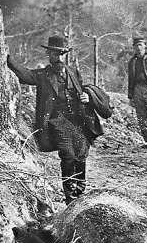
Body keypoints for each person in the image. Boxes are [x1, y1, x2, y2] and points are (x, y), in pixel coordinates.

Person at [7, 35, 93, 203]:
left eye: (61, 54)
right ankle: (70, 196)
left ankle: (80, 192)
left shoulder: (73, 72)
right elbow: (25, 75)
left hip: (76, 119)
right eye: (55, 54)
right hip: (57, 120)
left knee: (82, 153)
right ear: (50, 55)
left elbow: (82, 90)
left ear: (65, 55)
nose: (59, 57)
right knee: (68, 154)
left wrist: (86, 97)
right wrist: (8, 59)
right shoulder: (43, 75)